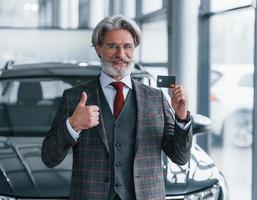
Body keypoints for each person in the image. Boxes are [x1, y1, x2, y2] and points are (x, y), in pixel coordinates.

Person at [41, 15, 193, 200]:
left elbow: (180, 157)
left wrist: (182, 117)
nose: (121, 54)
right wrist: (73, 126)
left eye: (127, 47)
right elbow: (49, 158)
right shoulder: (74, 97)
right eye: (112, 46)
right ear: (99, 49)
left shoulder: (156, 99)